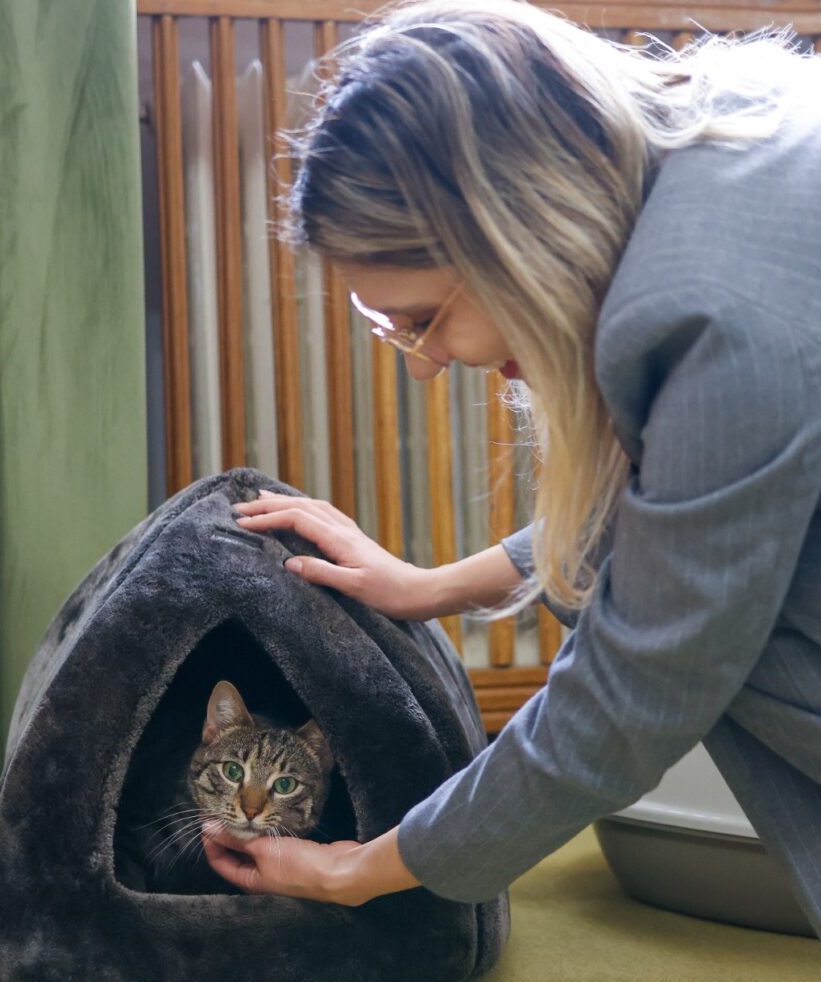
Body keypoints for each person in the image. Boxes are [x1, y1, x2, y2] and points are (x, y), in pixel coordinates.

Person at [201, 0, 821, 931]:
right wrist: (428, 588)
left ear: (513, 227)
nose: (423, 365)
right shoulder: (730, 120)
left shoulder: (706, 316)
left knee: (714, 628)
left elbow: (640, 685)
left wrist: (363, 868)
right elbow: (695, 509)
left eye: (422, 320)